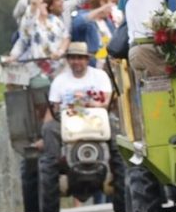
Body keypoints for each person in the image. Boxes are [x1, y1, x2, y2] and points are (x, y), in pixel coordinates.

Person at [38, 42, 124, 200]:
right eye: (72, 58)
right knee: (50, 129)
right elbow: (54, 109)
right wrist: (43, 133)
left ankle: (117, 168)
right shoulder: (60, 81)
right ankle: (54, 169)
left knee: (115, 128)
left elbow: (106, 102)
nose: (76, 61)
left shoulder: (99, 76)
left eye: (79, 58)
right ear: (68, 60)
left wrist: (92, 104)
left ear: (86, 59)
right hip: (68, 120)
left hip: (96, 119)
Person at [6, 0, 70, 84]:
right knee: (41, 86)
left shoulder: (55, 21)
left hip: (60, 70)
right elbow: (34, 2)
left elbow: (66, 37)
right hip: (39, 73)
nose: (38, 4)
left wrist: (60, 51)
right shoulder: (30, 21)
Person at [70, 0, 122, 67]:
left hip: (113, 64)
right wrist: (100, 10)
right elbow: (78, 23)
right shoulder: (80, 11)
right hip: (93, 66)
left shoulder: (110, 15)